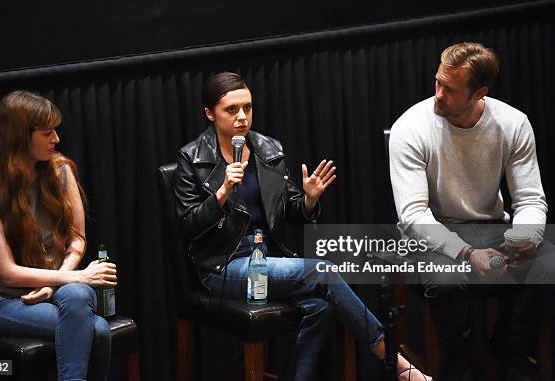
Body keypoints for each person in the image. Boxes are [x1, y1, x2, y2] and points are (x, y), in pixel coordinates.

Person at [174, 72, 432, 381]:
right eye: (232, 110)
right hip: (221, 267)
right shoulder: (193, 159)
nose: (242, 117)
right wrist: (222, 193)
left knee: (320, 306)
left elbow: (291, 213)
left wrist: (308, 201)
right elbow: (188, 226)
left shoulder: (268, 149)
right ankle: (398, 364)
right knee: (320, 270)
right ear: (209, 114)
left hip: (265, 257)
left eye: (248, 108)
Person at [389, 42, 555, 380]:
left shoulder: (512, 123)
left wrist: (523, 237)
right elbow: (413, 214)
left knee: (548, 262)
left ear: (479, 93)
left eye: (449, 89)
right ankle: (460, 357)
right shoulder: (411, 127)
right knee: (445, 280)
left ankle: (510, 350)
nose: (437, 94)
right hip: (431, 235)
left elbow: (530, 199)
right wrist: (466, 252)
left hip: (491, 227)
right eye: (437, 82)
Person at [0, 90, 117, 381]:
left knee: (78, 293)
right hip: (8, 300)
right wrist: (77, 277)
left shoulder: (61, 171)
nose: (57, 139)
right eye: (47, 132)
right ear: (20, 137)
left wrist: (58, 280)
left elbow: (77, 239)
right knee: (96, 328)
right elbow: (8, 273)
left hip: (57, 290)